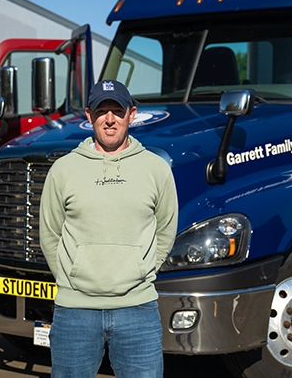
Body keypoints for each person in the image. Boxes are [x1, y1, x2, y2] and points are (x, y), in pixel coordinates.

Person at [40, 79, 178, 378]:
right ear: (89, 116)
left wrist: (142, 270)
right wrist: (71, 275)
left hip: (138, 309)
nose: (110, 118)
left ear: (132, 114)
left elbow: (166, 228)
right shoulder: (63, 170)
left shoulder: (156, 169)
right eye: (102, 110)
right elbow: (49, 233)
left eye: (117, 109)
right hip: (75, 311)